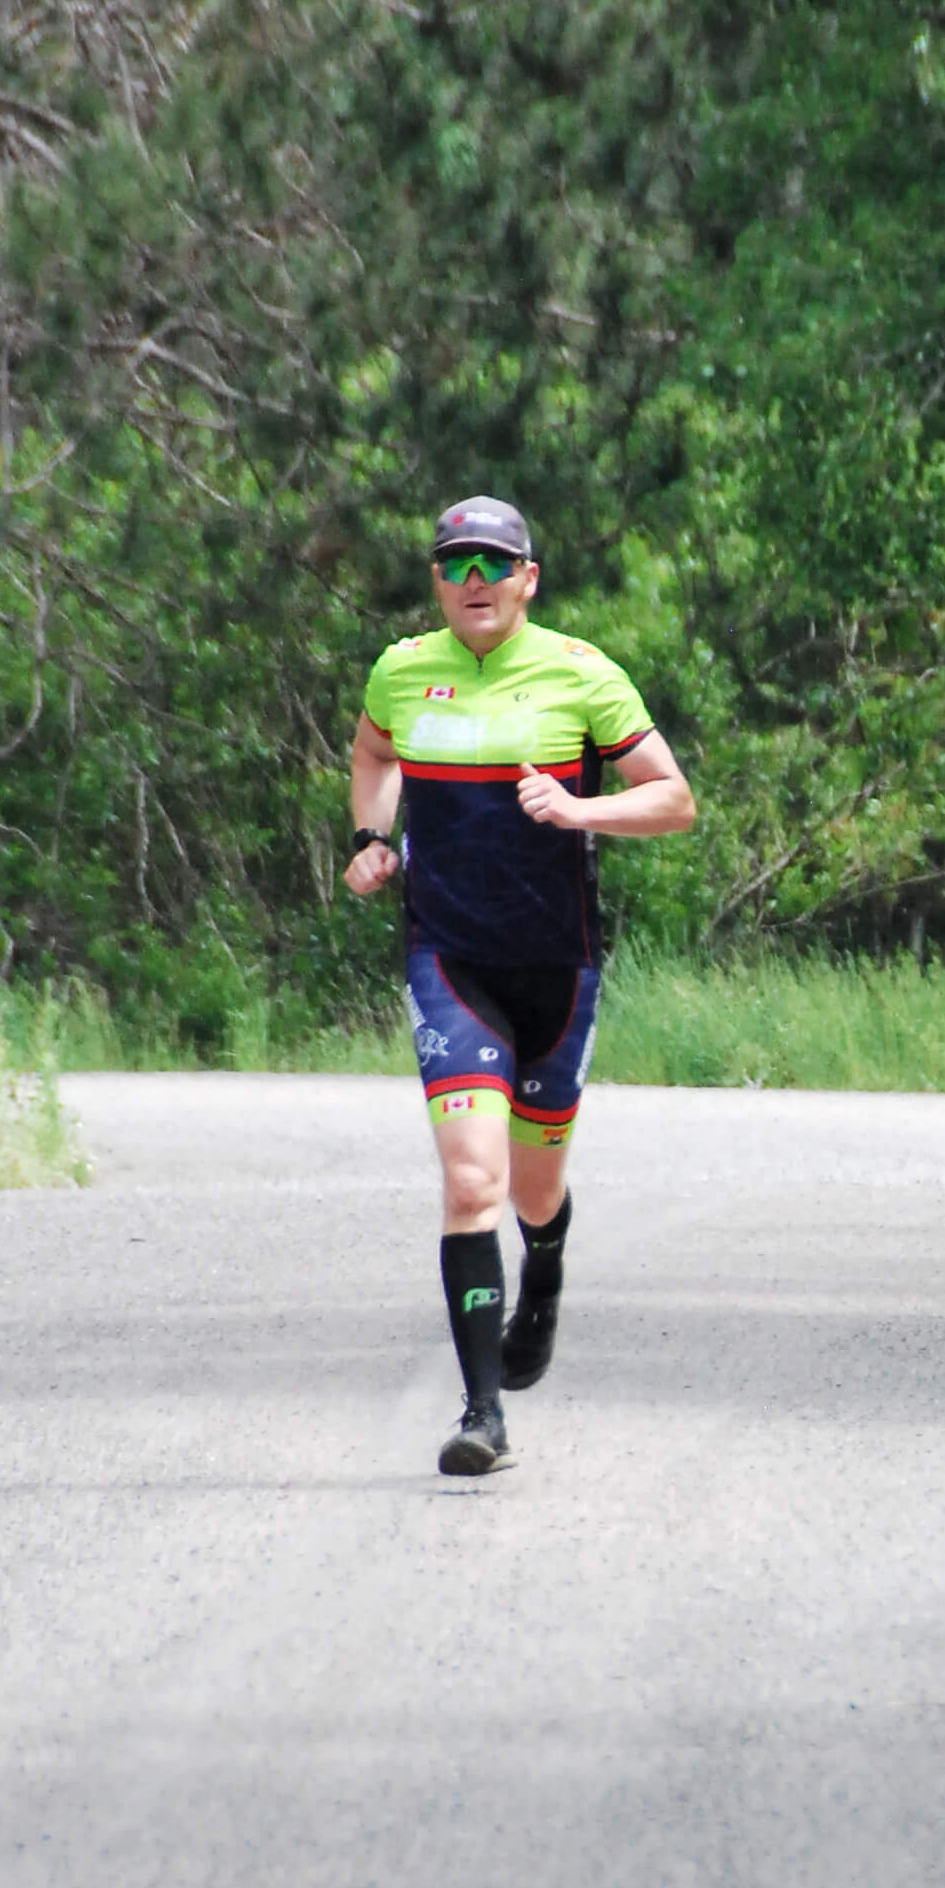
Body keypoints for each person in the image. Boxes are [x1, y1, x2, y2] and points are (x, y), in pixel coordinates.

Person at [343, 496, 696, 1475]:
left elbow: (674, 799)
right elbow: (373, 754)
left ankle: (544, 1268)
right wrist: (373, 840)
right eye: (456, 565)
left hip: (556, 964)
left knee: (534, 1194)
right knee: (471, 1183)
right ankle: (482, 1416)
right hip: (448, 957)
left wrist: (579, 807)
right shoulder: (403, 670)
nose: (474, 583)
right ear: (435, 581)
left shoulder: (584, 674)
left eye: (494, 566)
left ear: (528, 579)